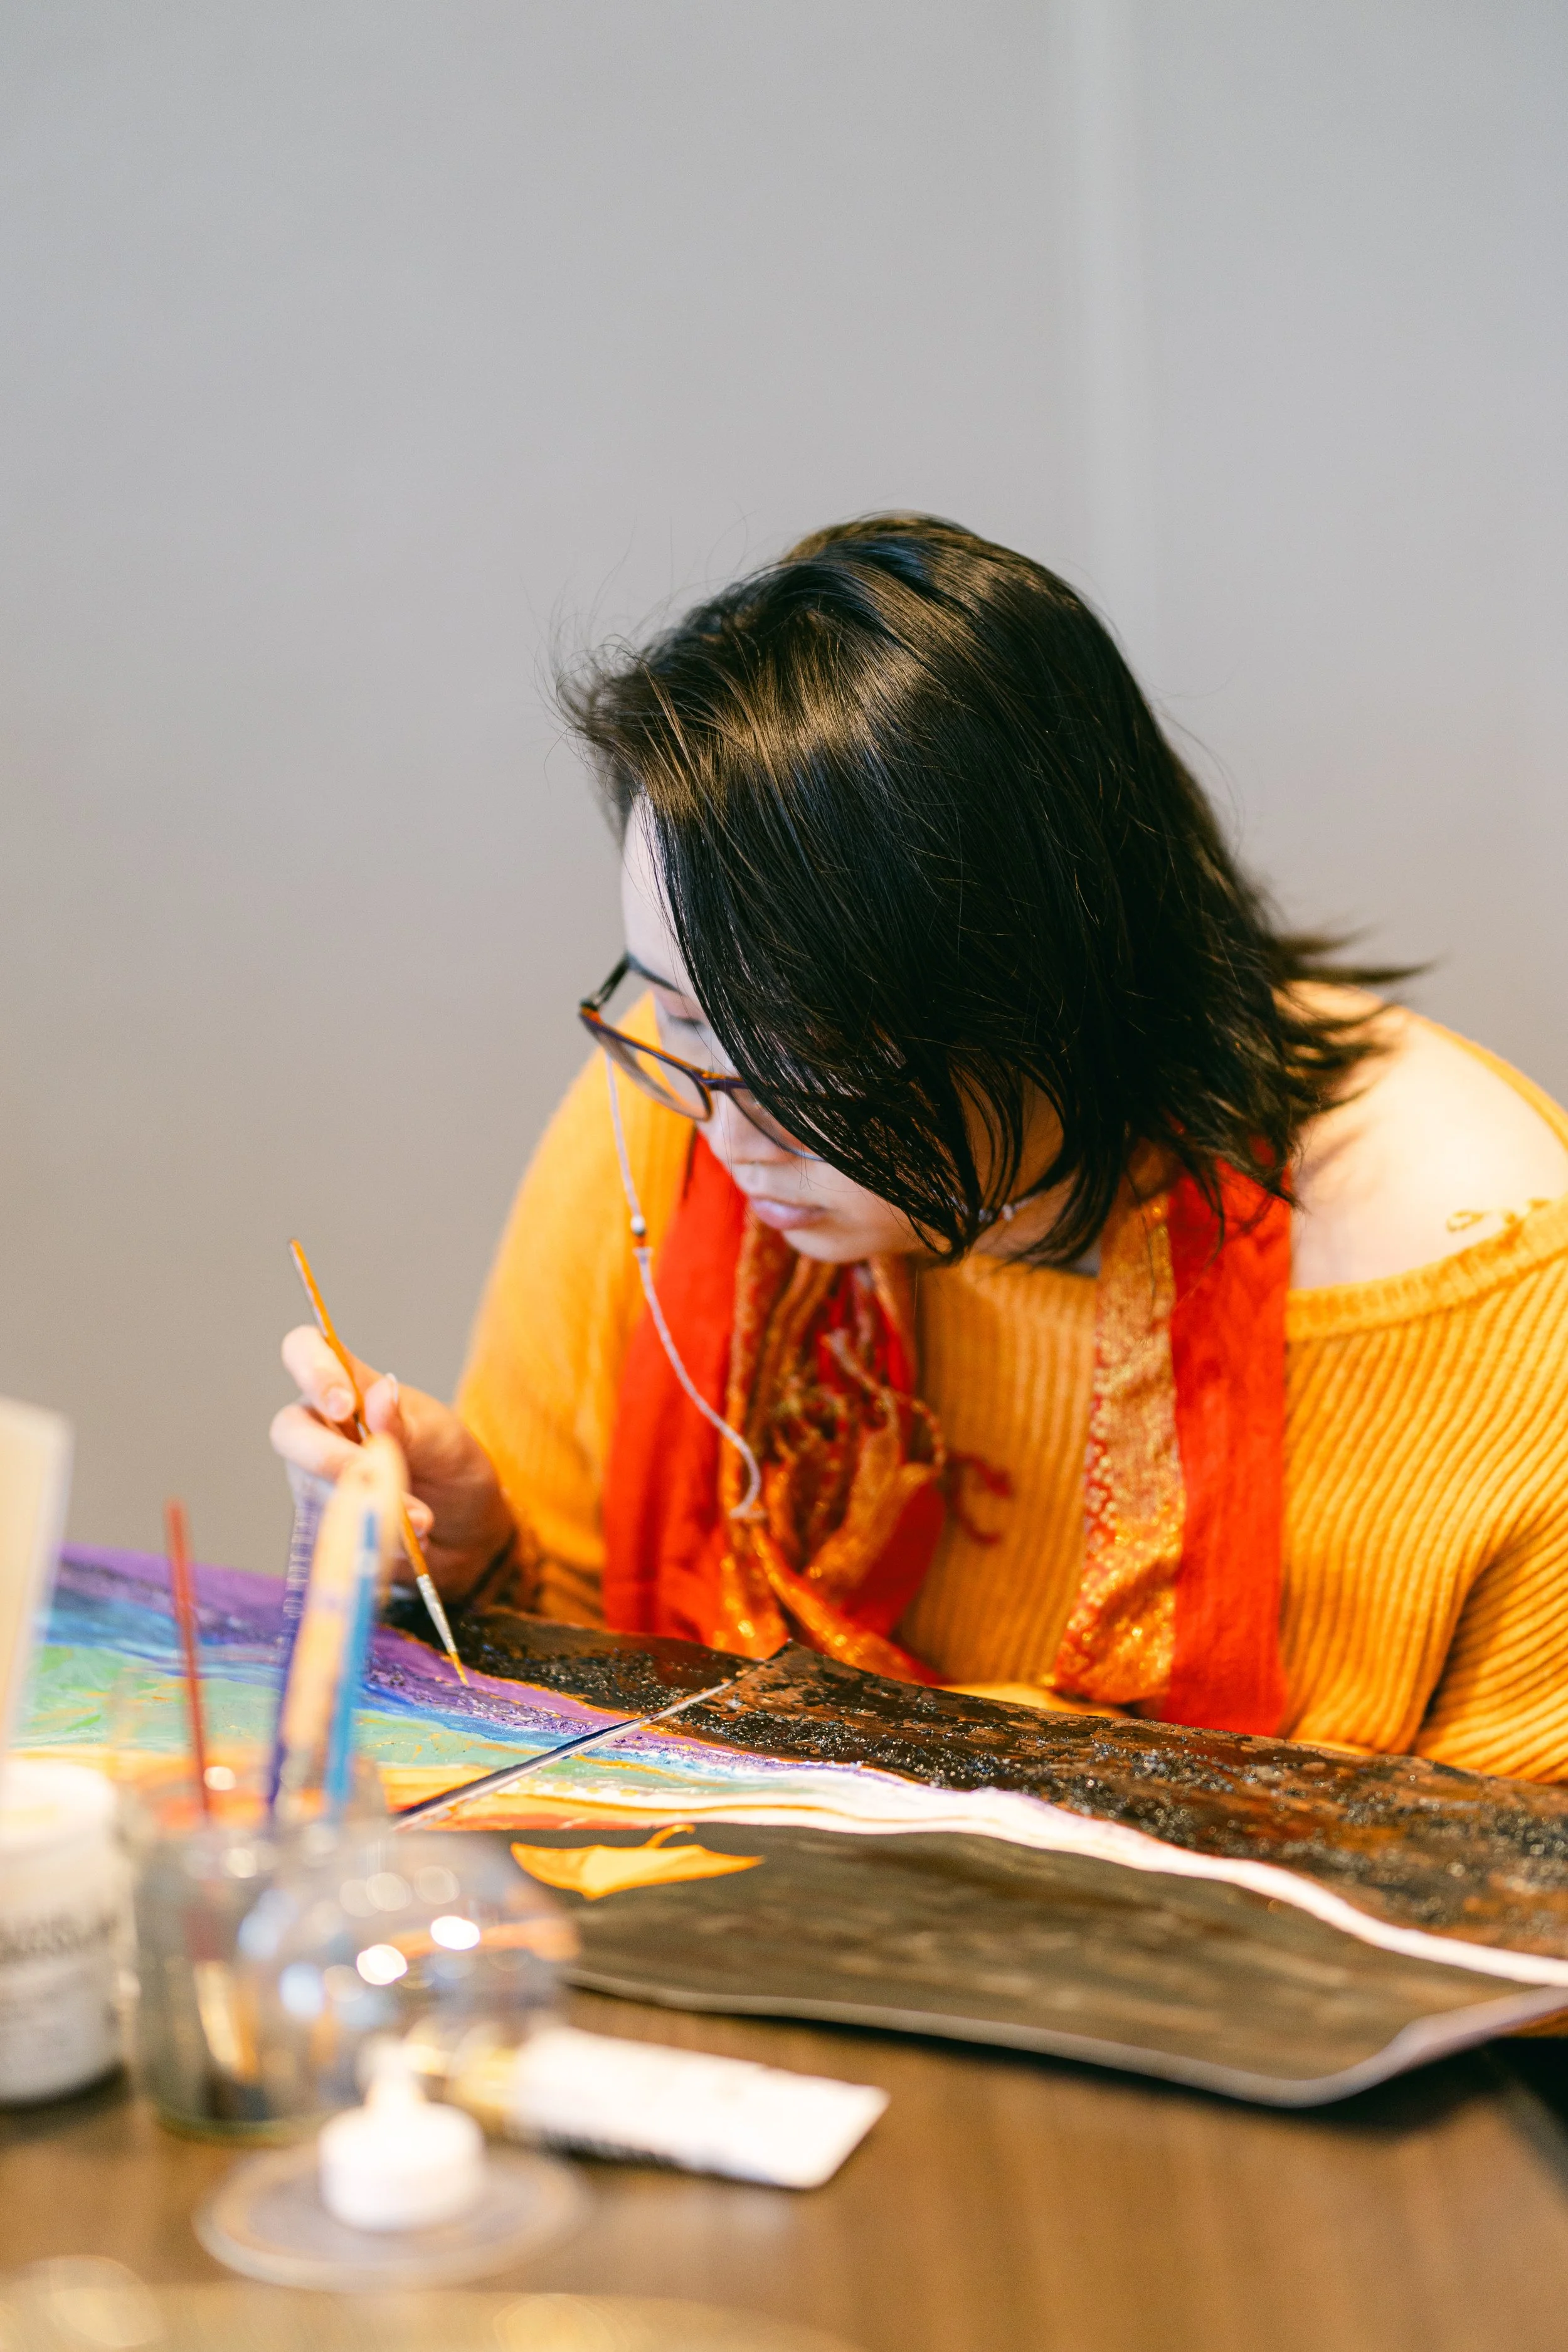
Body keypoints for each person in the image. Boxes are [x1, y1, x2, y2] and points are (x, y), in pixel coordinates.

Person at [273, 516, 1568, 1779]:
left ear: (1053, 982)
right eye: (682, 1014)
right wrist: (465, 1570)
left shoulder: (1478, 1280)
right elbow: (571, 1718)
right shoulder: (663, 1119)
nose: (727, 1130)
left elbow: (1520, 1873)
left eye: (813, 1054)